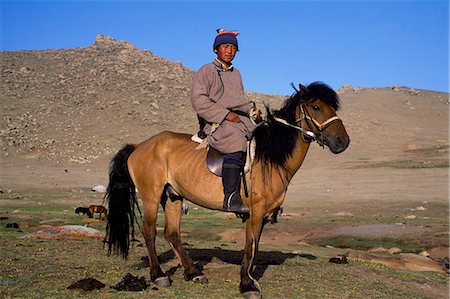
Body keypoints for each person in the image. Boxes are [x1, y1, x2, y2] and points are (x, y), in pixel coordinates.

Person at [191, 29, 256, 214]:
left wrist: (251, 111)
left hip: (238, 120)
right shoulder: (207, 71)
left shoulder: (236, 74)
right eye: (225, 46)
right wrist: (225, 115)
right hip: (215, 123)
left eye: (233, 47)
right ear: (216, 50)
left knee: (262, 133)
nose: (230, 50)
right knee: (235, 137)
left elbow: (238, 103)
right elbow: (199, 101)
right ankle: (230, 198)